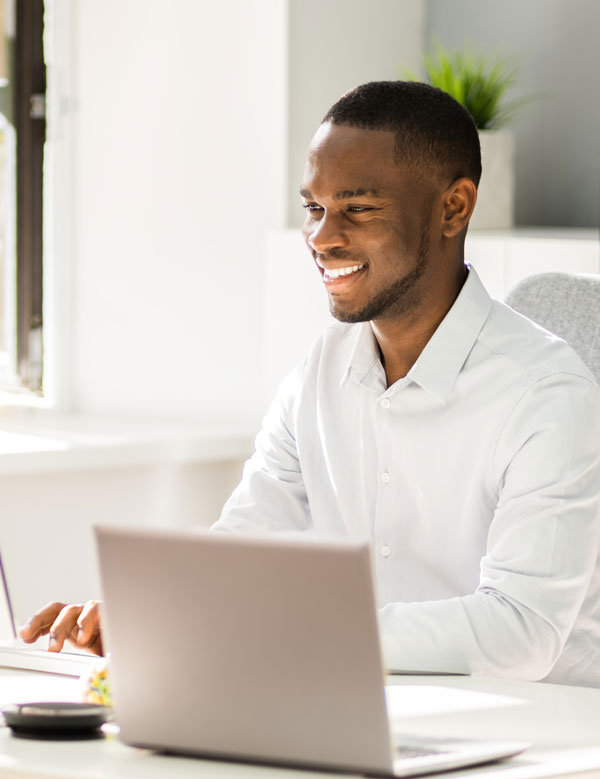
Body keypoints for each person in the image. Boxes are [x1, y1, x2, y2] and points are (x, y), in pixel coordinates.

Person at [20, 81, 600, 687]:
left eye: (359, 208)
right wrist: (154, 615)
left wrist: (298, 631)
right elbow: (247, 545)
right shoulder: (321, 373)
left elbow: (520, 634)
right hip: (370, 703)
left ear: (453, 208)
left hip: (536, 738)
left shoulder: (547, 395)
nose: (322, 239)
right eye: (314, 209)